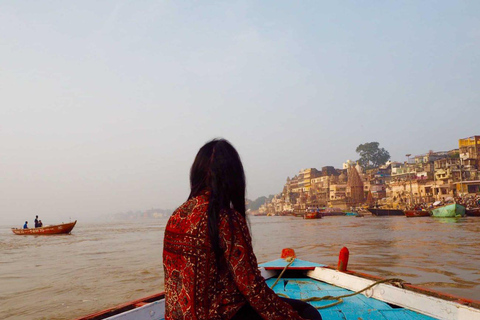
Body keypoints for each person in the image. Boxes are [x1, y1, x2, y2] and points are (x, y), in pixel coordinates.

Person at [163, 139, 321, 320]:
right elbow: (253, 288)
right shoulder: (225, 219)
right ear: (233, 178)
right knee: (308, 313)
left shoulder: (176, 216)